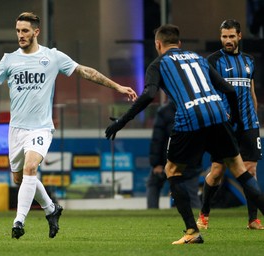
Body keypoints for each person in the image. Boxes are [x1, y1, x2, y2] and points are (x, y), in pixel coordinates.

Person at [0, 12, 136, 239]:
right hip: (16, 130)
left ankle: (18, 222)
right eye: (17, 31)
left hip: (41, 128)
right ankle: (51, 209)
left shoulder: (52, 57)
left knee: (30, 168)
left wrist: (117, 87)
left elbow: (86, 72)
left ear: (36, 32)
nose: (20, 35)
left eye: (25, 31)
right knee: (20, 179)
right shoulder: (8, 60)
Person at [105, 24, 264, 244]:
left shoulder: (158, 64)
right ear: (179, 44)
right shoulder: (198, 58)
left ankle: (192, 231)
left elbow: (149, 94)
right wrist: (234, 119)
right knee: (240, 170)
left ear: (158, 44)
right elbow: (228, 89)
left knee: (172, 170)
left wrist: (122, 121)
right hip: (218, 113)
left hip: (190, 117)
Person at [196, 19, 263, 230]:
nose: (228, 40)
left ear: (239, 37)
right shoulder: (213, 61)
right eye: (224, 36)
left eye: (232, 36)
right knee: (217, 172)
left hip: (249, 123)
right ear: (221, 37)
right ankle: (204, 214)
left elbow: (251, 92)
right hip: (224, 125)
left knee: (251, 171)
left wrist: (255, 114)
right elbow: (207, 92)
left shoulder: (249, 61)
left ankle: (253, 219)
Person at [147, 100, 202, 209]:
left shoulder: (165, 111)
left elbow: (157, 140)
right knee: (192, 194)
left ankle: (152, 214)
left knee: (154, 185)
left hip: (172, 161)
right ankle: (200, 220)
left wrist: (156, 164)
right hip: (186, 161)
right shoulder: (196, 109)